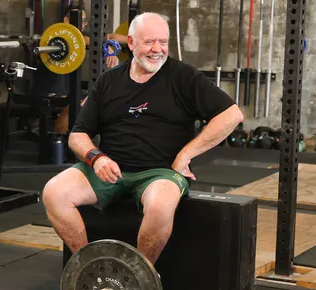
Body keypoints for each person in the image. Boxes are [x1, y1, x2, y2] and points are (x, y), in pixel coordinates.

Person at [42, 12, 244, 265]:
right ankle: (88, 266)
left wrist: (186, 155)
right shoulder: (109, 81)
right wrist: (97, 158)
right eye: (149, 42)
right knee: (54, 192)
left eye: (163, 42)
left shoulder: (183, 77)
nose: (157, 49)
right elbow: (78, 135)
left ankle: (139, 275)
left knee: (160, 206)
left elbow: (232, 115)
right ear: (131, 42)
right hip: (109, 169)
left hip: (160, 173)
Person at [29, 8, 128, 133]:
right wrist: (106, 45)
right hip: (48, 91)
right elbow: (92, 41)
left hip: (66, 91)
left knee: (99, 100)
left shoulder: (77, 38)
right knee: (77, 105)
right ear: (66, 20)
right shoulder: (58, 36)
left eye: (85, 21)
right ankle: (61, 142)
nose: (83, 24)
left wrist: (132, 42)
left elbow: (109, 36)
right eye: (81, 20)